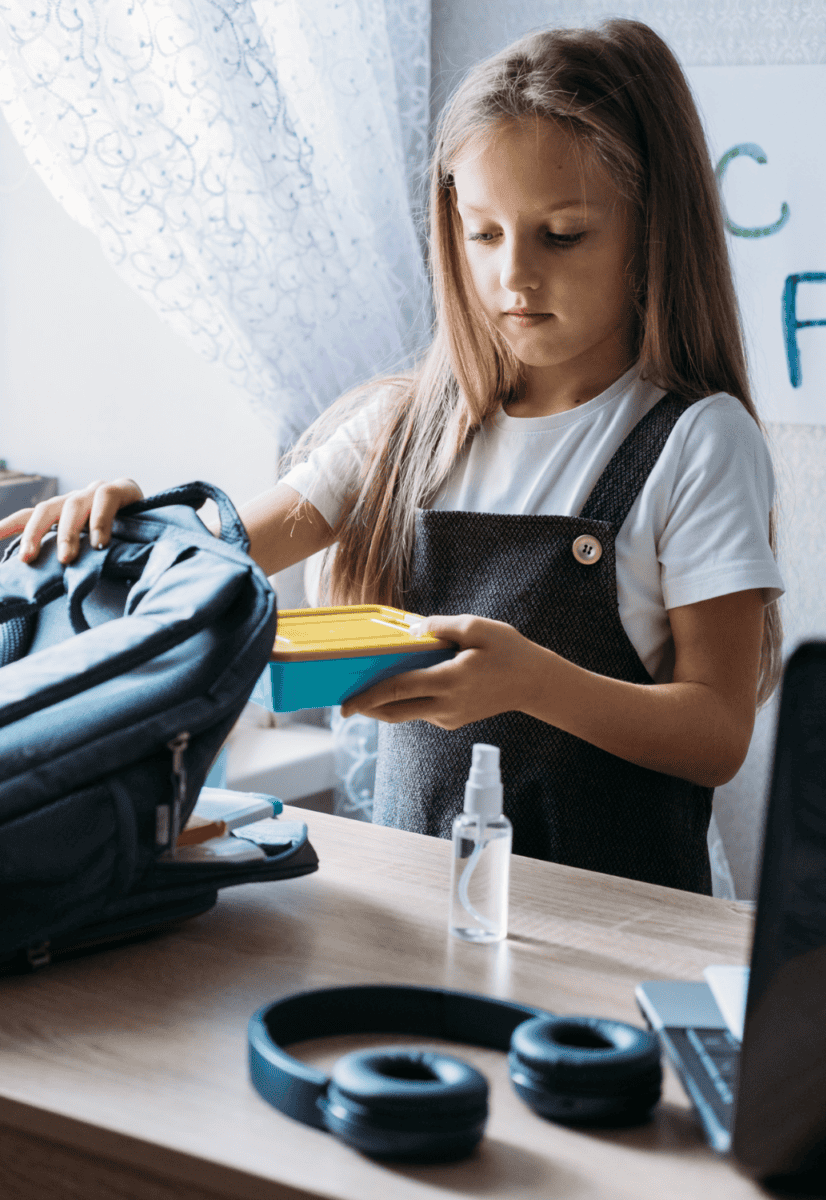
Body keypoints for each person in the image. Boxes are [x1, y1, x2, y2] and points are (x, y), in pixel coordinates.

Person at [0, 21, 784, 894]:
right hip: (414, 916)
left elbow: (715, 735)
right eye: (484, 234)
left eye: (562, 235)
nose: (513, 277)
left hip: (613, 934)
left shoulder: (698, 440)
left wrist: (532, 682)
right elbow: (214, 566)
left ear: (652, 231)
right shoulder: (397, 430)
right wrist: (127, 524)